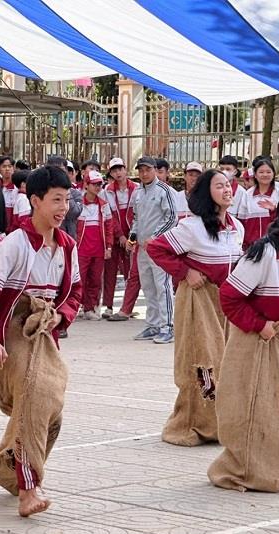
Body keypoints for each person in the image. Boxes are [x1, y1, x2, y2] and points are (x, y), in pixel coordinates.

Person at [0, 165, 82, 517]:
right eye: (56, 200)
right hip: (14, 329)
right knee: (33, 398)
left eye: (66, 199)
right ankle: (28, 488)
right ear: (34, 201)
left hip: (45, 331)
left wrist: (62, 315)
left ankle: (6, 467)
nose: (63, 207)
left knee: (52, 410)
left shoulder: (67, 245)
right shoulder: (14, 245)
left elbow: (75, 291)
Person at [208, 190, 279, 492]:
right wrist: (260, 326)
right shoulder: (264, 252)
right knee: (253, 408)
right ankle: (247, 467)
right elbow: (230, 297)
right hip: (252, 344)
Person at [148, 169, 244, 446]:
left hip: (225, 303)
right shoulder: (192, 227)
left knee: (225, 361)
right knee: (202, 360)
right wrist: (184, 271)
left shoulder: (237, 227)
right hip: (198, 300)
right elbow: (156, 249)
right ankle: (190, 423)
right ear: (206, 193)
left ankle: (217, 423)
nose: (227, 190)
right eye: (219, 186)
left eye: (228, 185)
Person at [127, 156, 178, 344]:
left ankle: (168, 326)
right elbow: (136, 218)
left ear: (155, 170)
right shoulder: (138, 192)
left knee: (162, 286)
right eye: (141, 170)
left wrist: (155, 236)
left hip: (160, 248)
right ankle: (153, 325)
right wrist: (133, 238)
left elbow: (172, 218)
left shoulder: (165, 191)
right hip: (142, 248)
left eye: (148, 169)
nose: (144, 173)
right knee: (147, 286)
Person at [102, 157, 139, 320]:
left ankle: (127, 306)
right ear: (110, 173)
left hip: (132, 234)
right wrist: (120, 236)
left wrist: (130, 237)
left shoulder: (137, 189)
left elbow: (138, 215)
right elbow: (110, 217)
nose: (118, 173)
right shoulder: (106, 191)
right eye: (114, 170)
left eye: (120, 169)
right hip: (114, 234)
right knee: (110, 271)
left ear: (125, 169)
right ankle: (108, 306)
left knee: (131, 271)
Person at [76, 170, 113, 320]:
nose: (98, 187)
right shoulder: (78, 205)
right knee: (80, 280)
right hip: (81, 249)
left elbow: (109, 227)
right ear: (86, 185)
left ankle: (89, 308)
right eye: (95, 184)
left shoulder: (104, 205)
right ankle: (78, 306)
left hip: (98, 249)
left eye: (100, 184)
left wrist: (108, 247)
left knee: (95, 281)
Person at [233, 157, 279, 249]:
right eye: (261, 172)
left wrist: (274, 210)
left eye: (268, 172)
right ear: (255, 175)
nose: (265, 175)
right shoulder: (247, 194)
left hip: (275, 245)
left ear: (274, 174)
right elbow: (241, 222)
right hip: (252, 246)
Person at [46, 156, 82, 242]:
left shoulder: (75, 193)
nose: (57, 174)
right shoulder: (41, 192)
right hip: (46, 238)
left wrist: (66, 188)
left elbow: (74, 212)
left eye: (61, 170)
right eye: (54, 170)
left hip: (67, 239)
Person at [0, 156, 17, 224]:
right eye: (4, 166)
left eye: (10, 166)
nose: (7, 169)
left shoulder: (17, 187)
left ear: (14, 168)